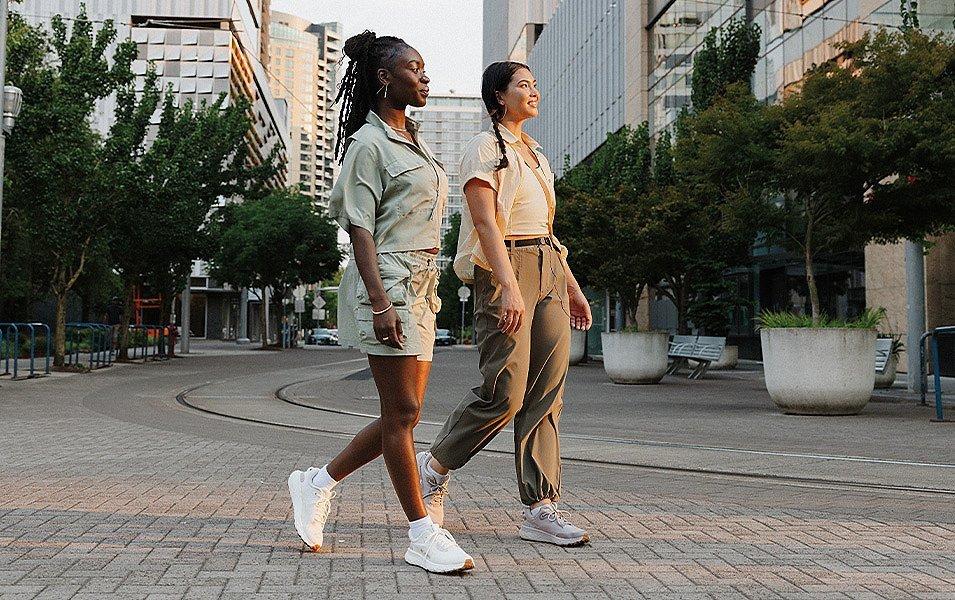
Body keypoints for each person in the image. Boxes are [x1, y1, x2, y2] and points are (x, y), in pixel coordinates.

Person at [286, 30, 474, 574]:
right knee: (405, 413)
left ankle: (316, 483)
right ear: (384, 78)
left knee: (402, 413)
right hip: (387, 283)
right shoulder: (369, 145)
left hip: (422, 286)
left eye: (425, 68)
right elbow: (360, 231)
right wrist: (378, 302)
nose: (426, 77)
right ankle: (421, 533)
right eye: (415, 68)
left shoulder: (410, 139)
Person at [416, 61, 593, 547]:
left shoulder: (535, 153)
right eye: (523, 85)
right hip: (506, 267)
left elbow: (548, 231)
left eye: (536, 84)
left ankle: (540, 507)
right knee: (506, 391)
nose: (534, 91)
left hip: (549, 267)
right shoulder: (486, 147)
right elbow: (487, 223)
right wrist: (510, 285)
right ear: (498, 95)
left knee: (547, 394)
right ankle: (432, 467)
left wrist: (572, 287)